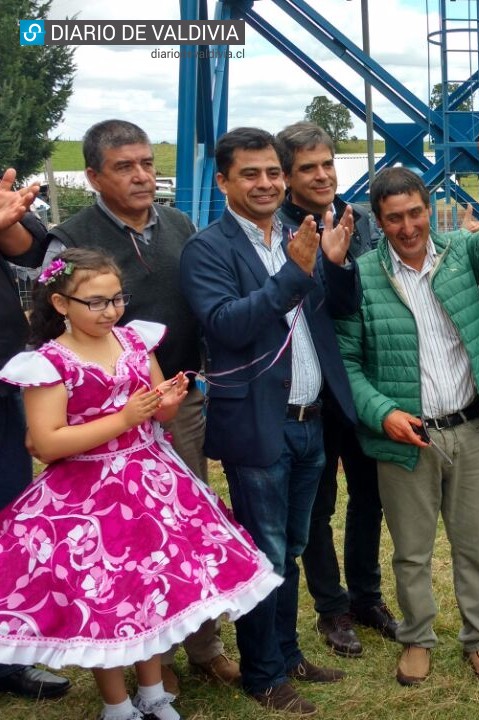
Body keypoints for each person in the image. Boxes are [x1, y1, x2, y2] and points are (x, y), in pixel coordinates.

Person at [0, 248, 279, 720]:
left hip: (151, 484)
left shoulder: (133, 340)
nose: (110, 311)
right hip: (86, 496)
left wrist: (166, 401)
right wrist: (124, 417)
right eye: (95, 302)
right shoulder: (49, 363)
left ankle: (153, 693)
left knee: (150, 589)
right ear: (61, 303)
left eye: (116, 299)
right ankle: (117, 704)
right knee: (104, 599)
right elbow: (48, 443)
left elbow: (155, 407)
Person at [46, 119, 238, 693]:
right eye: (125, 166)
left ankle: (203, 646)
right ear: (93, 175)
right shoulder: (70, 237)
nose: (141, 175)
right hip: (100, 424)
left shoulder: (180, 223)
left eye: (147, 163)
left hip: (174, 403)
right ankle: (154, 660)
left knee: (184, 531)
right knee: (125, 545)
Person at [335, 118, 479, 688]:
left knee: (473, 546)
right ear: (380, 220)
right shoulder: (362, 277)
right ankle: (417, 639)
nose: (408, 225)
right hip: (407, 436)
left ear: (429, 207)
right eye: (394, 217)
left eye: (415, 212)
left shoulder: (461, 254)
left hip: (468, 429)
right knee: (412, 551)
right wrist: (381, 413)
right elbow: (346, 362)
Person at [180, 127, 359, 715]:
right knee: (266, 551)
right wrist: (294, 273)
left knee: (296, 543)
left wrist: (330, 267)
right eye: (250, 174)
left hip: (312, 419)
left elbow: (332, 311)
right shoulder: (209, 249)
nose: (266, 184)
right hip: (260, 424)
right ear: (224, 181)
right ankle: (262, 673)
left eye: (273, 173)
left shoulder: (296, 233)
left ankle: (287, 654)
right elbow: (227, 325)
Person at [275, 121, 397, 657]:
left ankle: (368, 595)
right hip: (310, 390)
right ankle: (333, 607)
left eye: (327, 162)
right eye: (308, 167)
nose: (322, 174)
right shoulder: (274, 231)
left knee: (369, 496)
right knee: (318, 507)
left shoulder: (361, 222)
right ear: (286, 176)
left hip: (363, 383)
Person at [0, 169, 72, 701]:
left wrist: (8, 223)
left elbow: (33, 256)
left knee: (8, 522)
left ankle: (7, 660)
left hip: (3, 379)